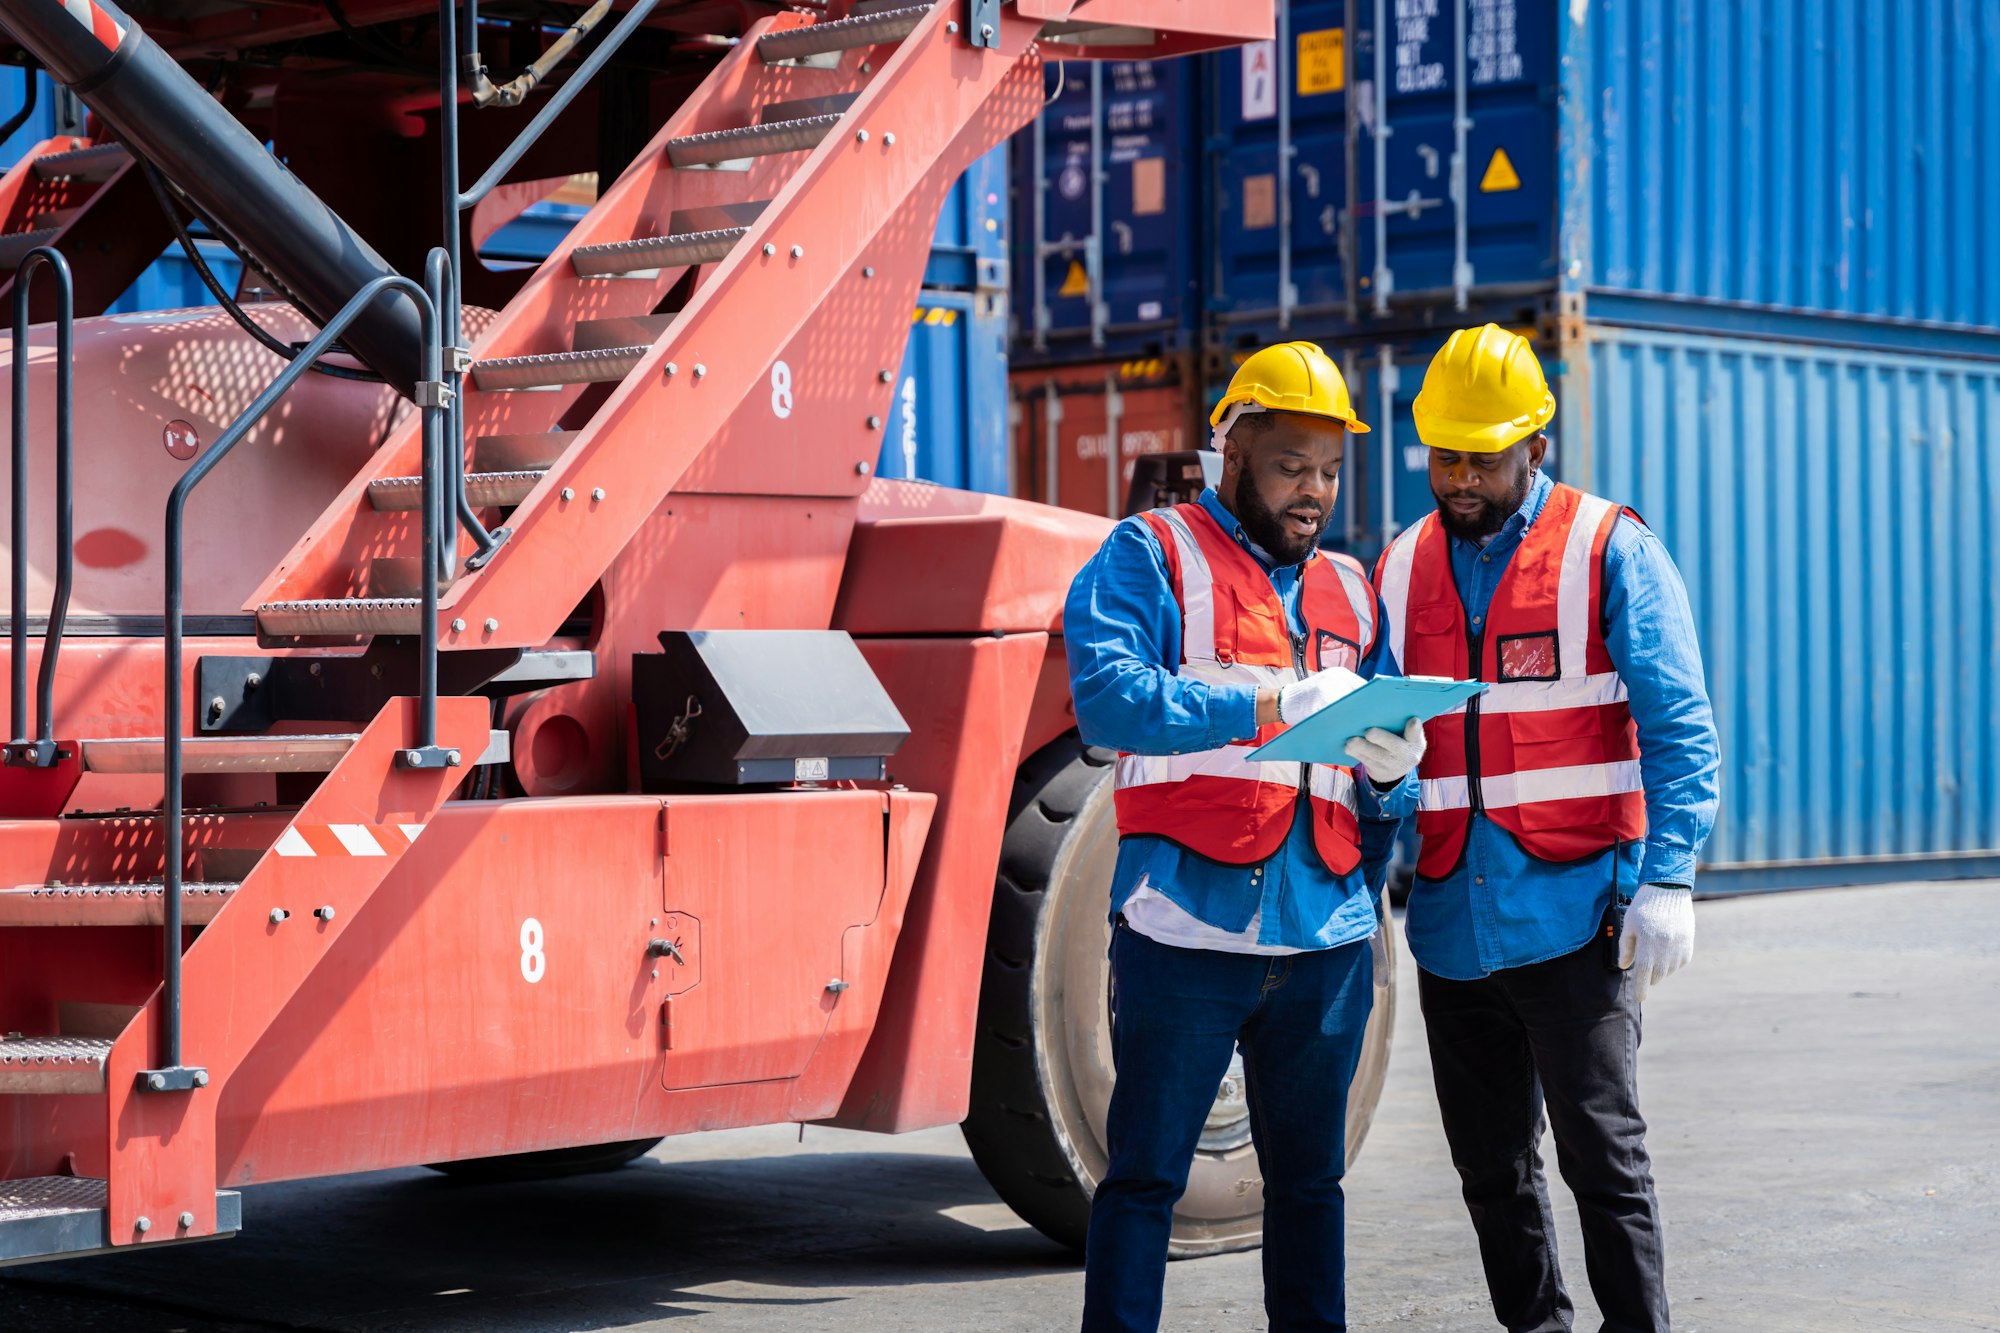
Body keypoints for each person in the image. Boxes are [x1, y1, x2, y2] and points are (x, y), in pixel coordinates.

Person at [1063, 341, 1424, 1333]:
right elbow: (1107, 702)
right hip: (1185, 934)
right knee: (1142, 1181)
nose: (1312, 490)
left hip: (1325, 938)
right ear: (1232, 455)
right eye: (1288, 466)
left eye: (1328, 470)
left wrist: (1396, 778)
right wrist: (1264, 702)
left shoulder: (1352, 589)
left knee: (1311, 1187)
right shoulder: (1148, 553)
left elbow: (1379, 759)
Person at [1375, 324, 1720, 1333]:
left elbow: (1678, 724)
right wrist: (1382, 785)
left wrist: (1668, 878)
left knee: (1601, 1162)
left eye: (1483, 454)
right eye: (1445, 454)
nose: (1462, 474)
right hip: (1449, 925)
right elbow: (1388, 754)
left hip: (1578, 917)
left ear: (1536, 440)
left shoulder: (1607, 547)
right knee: (1490, 1172)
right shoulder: (1398, 568)